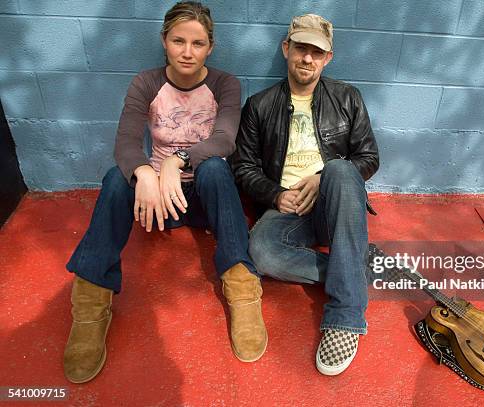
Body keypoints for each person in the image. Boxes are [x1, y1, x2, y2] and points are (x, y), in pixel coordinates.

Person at [63, 1, 267, 384]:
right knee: (114, 179)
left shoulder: (225, 84)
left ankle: (242, 287)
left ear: (211, 47)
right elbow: (125, 141)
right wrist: (145, 173)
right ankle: (91, 302)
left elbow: (224, 139)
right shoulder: (146, 82)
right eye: (178, 41)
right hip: (157, 204)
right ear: (164, 41)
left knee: (216, 169)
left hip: (206, 200)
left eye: (198, 43)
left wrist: (178, 161)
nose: (187, 51)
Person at [231, 13, 379, 376]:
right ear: (287, 49)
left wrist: (321, 175)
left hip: (335, 201)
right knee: (262, 252)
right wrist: (275, 195)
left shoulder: (347, 97)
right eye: (301, 48)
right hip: (288, 208)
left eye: (317, 52)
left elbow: (369, 158)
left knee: (342, 168)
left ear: (328, 57)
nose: (307, 59)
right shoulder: (259, 106)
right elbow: (243, 167)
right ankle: (353, 267)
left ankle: (345, 316)